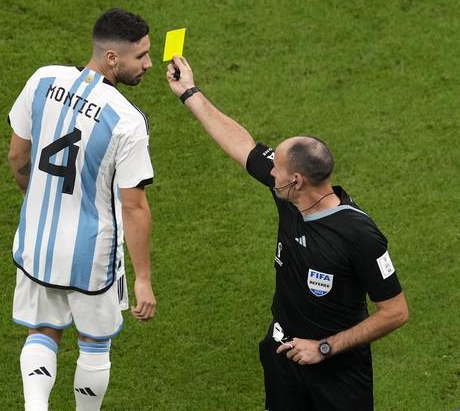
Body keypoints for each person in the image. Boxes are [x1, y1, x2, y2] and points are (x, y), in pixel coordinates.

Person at [166, 56, 408, 410]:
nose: (270, 174)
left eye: (277, 169)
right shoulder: (291, 197)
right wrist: (189, 91)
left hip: (338, 372)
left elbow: (395, 311)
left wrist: (323, 347)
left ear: (298, 180)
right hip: (283, 355)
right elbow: (244, 146)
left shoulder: (359, 234)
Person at [7, 8, 156, 411]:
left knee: (42, 330)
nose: (149, 64)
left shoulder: (43, 79)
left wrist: (39, 198)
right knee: (94, 342)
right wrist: (143, 279)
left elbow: (17, 156)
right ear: (112, 58)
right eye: (140, 56)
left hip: (36, 240)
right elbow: (135, 207)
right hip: (90, 254)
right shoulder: (127, 120)